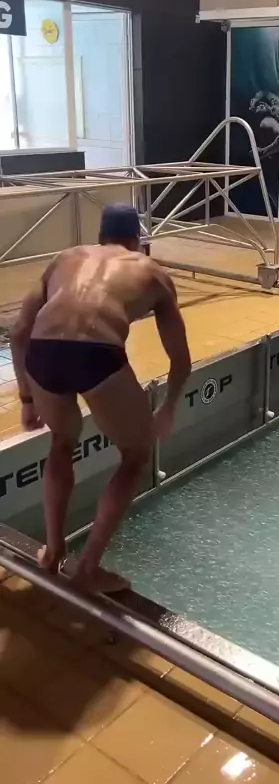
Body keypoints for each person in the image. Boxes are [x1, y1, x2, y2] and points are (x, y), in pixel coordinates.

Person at [10, 204, 192, 594]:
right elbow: (180, 359)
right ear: (137, 241)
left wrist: (27, 398)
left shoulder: (66, 258)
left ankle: (53, 550)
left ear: (99, 238)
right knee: (135, 455)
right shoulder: (153, 273)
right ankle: (87, 570)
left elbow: (20, 330)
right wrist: (168, 407)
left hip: (42, 352)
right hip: (96, 353)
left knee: (62, 442)